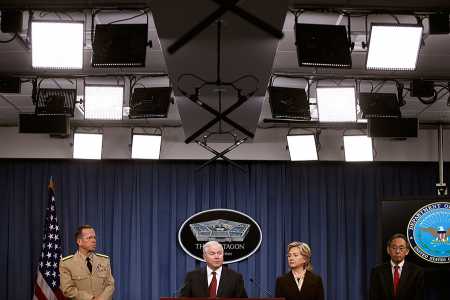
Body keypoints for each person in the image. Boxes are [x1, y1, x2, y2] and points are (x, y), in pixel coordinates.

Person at [59, 225, 115, 300]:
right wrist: (90, 299)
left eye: (94, 237)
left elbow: (110, 285)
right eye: (89, 238)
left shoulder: (104, 260)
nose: (94, 240)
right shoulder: (66, 263)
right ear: (79, 241)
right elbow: (68, 290)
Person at [180, 240, 248, 298]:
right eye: (212, 253)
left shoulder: (235, 277)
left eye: (219, 253)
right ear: (204, 257)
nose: (217, 257)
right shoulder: (192, 276)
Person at [369, 233, 424, 300]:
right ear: (388, 250)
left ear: (407, 251)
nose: (397, 251)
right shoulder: (377, 271)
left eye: (401, 248)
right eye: (394, 248)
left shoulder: (417, 272)